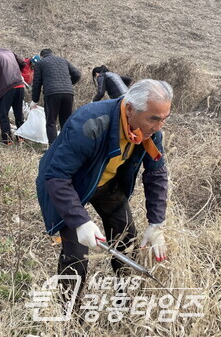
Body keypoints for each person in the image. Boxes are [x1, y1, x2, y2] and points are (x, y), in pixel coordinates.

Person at [36, 79, 172, 299]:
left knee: (126, 239)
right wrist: (80, 221)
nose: (158, 127)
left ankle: (124, 299)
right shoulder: (90, 123)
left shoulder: (151, 133)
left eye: (164, 119)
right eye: (153, 119)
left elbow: (156, 173)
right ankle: (69, 314)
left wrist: (156, 223)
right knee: (76, 255)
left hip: (106, 183)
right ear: (129, 109)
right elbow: (57, 176)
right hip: (71, 185)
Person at [30, 49, 81, 145]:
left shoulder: (40, 63)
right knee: (66, 121)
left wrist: (35, 100)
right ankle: (67, 146)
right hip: (68, 93)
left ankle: (53, 148)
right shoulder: (63, 60)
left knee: (51, 121)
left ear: (42, 56)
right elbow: (77, 74)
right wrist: (69, 84)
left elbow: (36, 83)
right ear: (52, 53)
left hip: (52, 93)